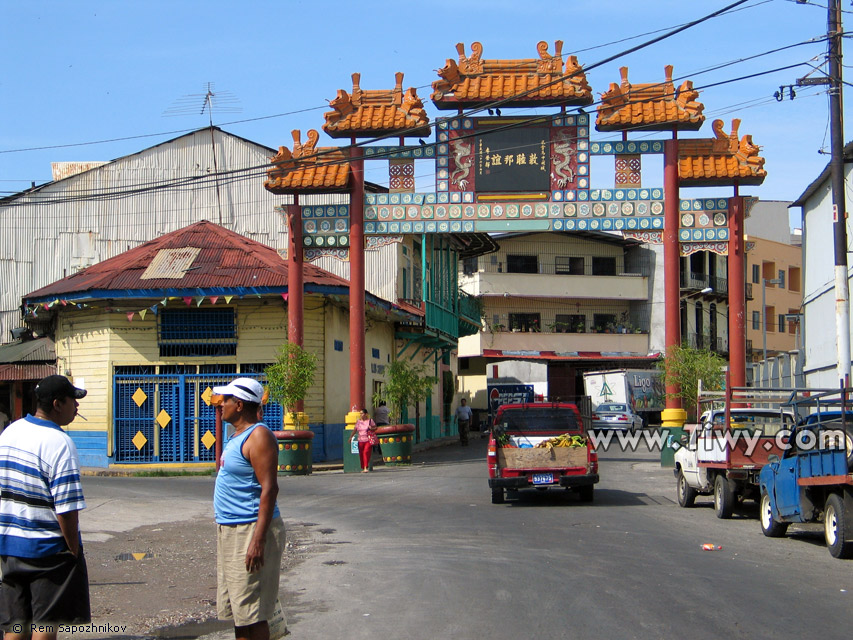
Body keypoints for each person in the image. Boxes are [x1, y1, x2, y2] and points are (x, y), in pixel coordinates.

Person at [0, 375, 90, 640]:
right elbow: (66, 509)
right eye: (73, 400)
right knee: (45, 626)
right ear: (57, 404)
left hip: (9, 547)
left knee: (14, 626)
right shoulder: (60, 443)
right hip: (48, 551)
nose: (77, 406)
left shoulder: (10, 432)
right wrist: (73, 550)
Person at [213, 377, 286, 640]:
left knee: (253, 615)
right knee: (241, 614)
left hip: (250, 530)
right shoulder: (237, 436)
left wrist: (258, 540)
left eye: (226, 401)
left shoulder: (259, 436)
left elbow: (269, 489)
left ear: (240, 404)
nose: (220, 405)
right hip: (231, 530)